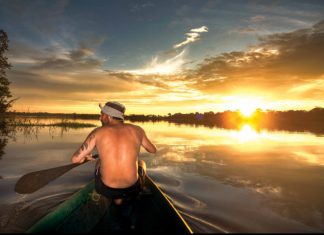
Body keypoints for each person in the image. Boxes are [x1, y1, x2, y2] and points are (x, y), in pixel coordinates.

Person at [71, 101, 157, 206]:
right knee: (142, 163)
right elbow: (153, 150)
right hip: (132, 188)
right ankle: (135, 190)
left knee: (99, 162)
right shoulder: (137, 130)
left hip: (106, 189)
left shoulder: (97, 132)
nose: (100, 118)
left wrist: (84, 157)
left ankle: (117, 200)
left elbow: (75, 160)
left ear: (109, 116)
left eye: (102, 115)